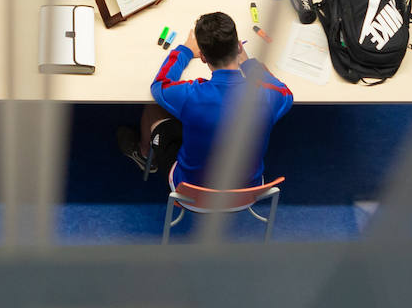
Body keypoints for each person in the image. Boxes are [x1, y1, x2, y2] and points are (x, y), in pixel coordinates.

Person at [117, 12, 293, 189]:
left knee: (153, 109)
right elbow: (285, 92)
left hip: (191, 188)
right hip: (247, 188)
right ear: (239, 47)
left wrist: (185, 50)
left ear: (202, 56)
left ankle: (144, 154)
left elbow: (160, 86)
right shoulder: (269, 96)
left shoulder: (192, 95)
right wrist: (248, 64)